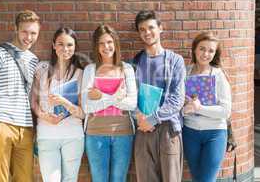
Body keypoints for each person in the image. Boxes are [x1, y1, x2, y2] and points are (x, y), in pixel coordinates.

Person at [0, 10, 40, 182]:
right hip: (2, 125)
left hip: (25, 129)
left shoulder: (34, 60)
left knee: (25, 179)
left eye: (33, 33)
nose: (29, 37)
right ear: (16, 29)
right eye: (25, 32)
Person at [132, 10, 185, 182]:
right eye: (142, 29)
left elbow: (177, 99)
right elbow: (131, 96)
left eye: (151, 27)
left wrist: (152, 119)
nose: (147, 32)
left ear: (160, 28)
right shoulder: (136, 62)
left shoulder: (175, 60)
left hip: (168, 128)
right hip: (143, 130)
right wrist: (139, 117)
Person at [81, 24, 137, 182]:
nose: (106, 46)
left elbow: (132, 103)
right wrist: (115, 98)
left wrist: (100, 97)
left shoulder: (126, 69)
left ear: (115, 43)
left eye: (109, 42)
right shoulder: (90, 70)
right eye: (101, 43)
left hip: (123, 134)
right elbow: (87, 107)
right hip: (95, 134)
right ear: (96, 47)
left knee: (119, 179)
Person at [31, 27, 85, 182]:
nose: (65, 49)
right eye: (60, 44)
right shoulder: (42, 68)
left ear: (75, 48)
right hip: (47, 135)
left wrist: (65, 102)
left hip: (73, 135)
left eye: (69, 45)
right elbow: (33, 102)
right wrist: (44, 116)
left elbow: (82, 113)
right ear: (53, 45)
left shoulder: (80, 74)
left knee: (70, 179)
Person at [182, 32, 231, 182]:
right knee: (197, 178)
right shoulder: (185, 72)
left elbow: (225, 111)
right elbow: (178, 103)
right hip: (190, 133)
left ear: (215, 54)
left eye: (211, 51)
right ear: (195, 49)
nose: (206, 54)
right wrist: (184, 109)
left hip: (215, 134)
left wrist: (199, 108)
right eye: (202, 49)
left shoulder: (218, 75)